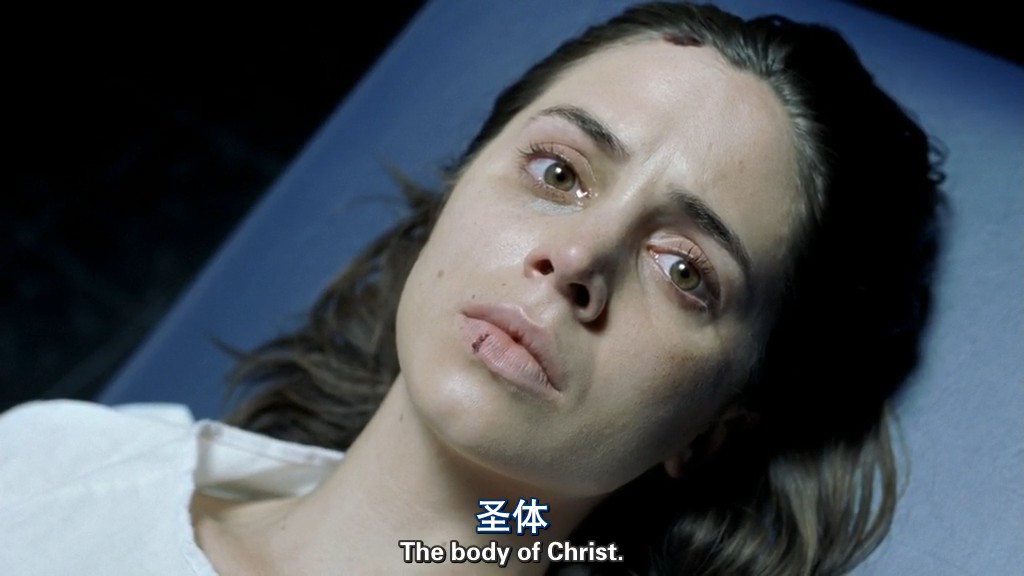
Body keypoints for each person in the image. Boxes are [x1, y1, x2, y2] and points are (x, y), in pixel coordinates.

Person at [0, 2, 942, 574]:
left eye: (685, 271)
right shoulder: (57, 456)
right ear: (452, 201)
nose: (577, 258)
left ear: (716, 429)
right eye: (560, 173)